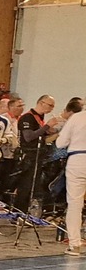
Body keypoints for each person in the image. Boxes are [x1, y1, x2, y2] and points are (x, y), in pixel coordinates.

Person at [16, 95, 58, 210]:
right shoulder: (28, 117)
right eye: (50, 105)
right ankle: (20, 210)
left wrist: (51, 132)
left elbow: (40, 134)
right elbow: (29, 137)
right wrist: (47, 126)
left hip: (38, 155)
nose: (52, 108)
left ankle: (28, 209)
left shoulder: (39, 117)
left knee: (34, 185)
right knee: (26, 184)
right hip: (29, 155)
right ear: (41, 103)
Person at [58, 102, 86, 254]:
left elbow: (60, 143)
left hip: (77, 160)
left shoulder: (76, 118)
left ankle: (75, 244)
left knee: (75, 203)